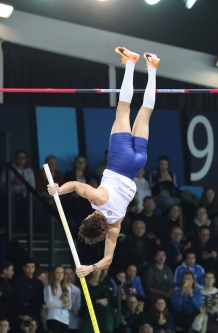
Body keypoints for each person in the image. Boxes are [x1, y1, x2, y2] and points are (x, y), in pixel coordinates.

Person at [48, 47, 160, 277]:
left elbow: (108, 259)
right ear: (89, 218)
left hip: (136, 164)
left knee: (145, 113)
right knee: (123, 109)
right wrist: (58, 190)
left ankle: (152, 68)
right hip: (120, 161)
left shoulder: (115, 226)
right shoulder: (98, 200)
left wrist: (91, 268)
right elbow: (77, 186)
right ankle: (131, 62)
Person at [44, 265, 72, 333]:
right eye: (57, 272)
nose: (60, 275)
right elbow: (49, 304)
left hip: (65, 319)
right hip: (53, 317)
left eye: (62, 272)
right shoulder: (49, 287)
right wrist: (62, 305)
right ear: (53, 274)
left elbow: (69, 306)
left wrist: (67, 303)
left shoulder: (68, 288)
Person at [63, 268, 81, 333]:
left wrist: (71, 307)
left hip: (74, 321)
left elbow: (78, 306)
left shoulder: (77, 290)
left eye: (70, 273)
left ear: (74, 276)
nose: (68, 276)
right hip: (61, 320)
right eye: (66, 273)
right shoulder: (58, 288)